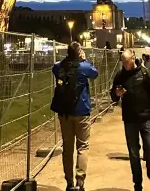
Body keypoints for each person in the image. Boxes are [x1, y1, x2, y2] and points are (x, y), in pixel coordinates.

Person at [111, 49, 150, 191]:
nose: (125, 64)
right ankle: (137, 183)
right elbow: (113, 96)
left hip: (145, 117)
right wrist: (116, 94)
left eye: (127, 61)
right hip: (129, 119)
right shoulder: (120, 76)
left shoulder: (145, 73)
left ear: (133, 59)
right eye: (123, 61)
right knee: (133, 153)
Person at [51, 41, 99, 191]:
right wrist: (83, 59)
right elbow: (95, 73)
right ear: (79, 52)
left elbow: (55, 67)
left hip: (64, 112)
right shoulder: (83, 67)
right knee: (83, 146)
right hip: (81, 111)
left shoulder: (60, 66)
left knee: (67, 147)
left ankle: (69, 182)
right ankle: (80, 181)